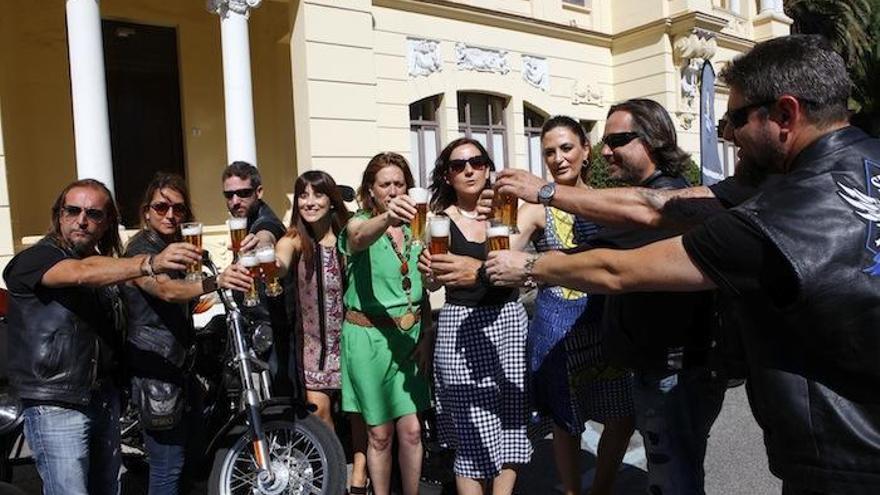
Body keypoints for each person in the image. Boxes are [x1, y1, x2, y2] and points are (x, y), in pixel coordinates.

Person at [487, 34, 880, 495]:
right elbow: (654, 206)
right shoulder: (794, 181)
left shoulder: (774, 214)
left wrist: (530, 267)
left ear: (786, 114)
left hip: (843, 462)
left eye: (734, 119)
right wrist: (548, 194)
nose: (728, 134)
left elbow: (622, 269)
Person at [2, 179, 201, 495]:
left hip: (102, 397)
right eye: (73, 210)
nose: (82, 220)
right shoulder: (36, 258)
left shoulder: (108, 265)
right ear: (59, 214)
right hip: (57, 401)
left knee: (108, 488)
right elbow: (81, 272)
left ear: (107, 221)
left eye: (94, 214)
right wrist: (150, 263)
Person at [222, 170, 370, 493]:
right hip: (314, 345)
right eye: (303, 195)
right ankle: (334, 477)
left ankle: (359, 476)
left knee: (358, 413)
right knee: (320, 414)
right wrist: (268, 263)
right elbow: (281, 260)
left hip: (352, 338)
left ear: (331, 200)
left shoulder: (348, 237)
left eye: (317, 195)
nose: (310, 202)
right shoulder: (292, 238)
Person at [513, 117, 634, 495]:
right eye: (549, 151)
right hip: (555, 322)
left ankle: (600, 488)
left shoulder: (603, 200)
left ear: (586, 150)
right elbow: (505, 253)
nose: (558, 158)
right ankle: (571, 491)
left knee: (622, 414)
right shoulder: (534, 208)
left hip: (603, 318)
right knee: (565, 420)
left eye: (566, 148)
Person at [416, 138, 532, 495]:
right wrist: (428, 272)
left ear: (487, 167)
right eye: (457, 165)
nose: (468, 169)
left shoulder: (508, 212)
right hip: (460, 324)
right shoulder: (437, 222)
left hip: (509, 320)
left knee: (512, 419)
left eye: (477, 161)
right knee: (469, 428)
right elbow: (432, 283)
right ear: (448, 176)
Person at [338, 152, 432, 495]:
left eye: (399, 183)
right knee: (379, 433)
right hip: (368, 338)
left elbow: (425, 287)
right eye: (385, 184)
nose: (393, 190)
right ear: (371, 190)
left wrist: (427, 336)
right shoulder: (359, 221)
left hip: (408, 339)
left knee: (412, 431)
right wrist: (388, 218)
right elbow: (358, 238)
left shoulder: (418, 225)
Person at [121, 173, 214, 495]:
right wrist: (212, 283)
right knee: (167, 466)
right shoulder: (140, 251)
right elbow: (166, 291)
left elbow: (185, 295)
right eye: (161, 207)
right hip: (156, 372)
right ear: (146, 211)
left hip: (179, 367)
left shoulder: (175, 247)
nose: (170, 215)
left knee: (190, 460)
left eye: (178, 208)